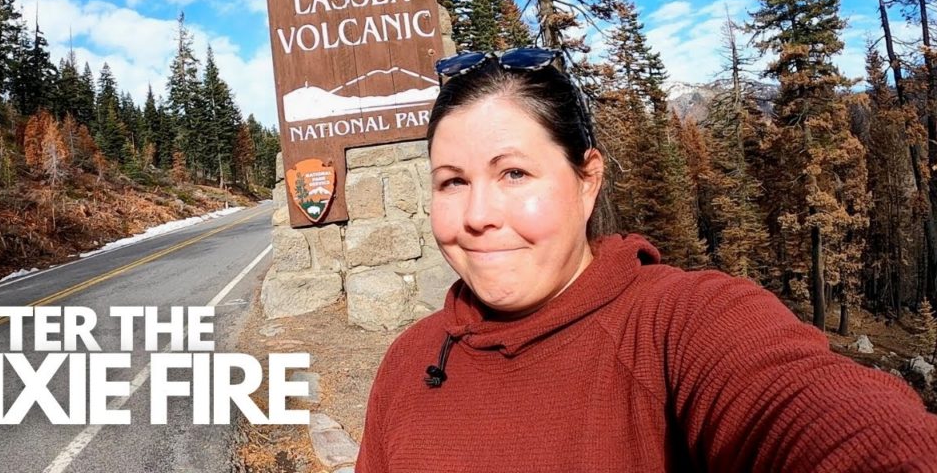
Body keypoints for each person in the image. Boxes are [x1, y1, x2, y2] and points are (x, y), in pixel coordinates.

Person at [355, 47, 937, 472]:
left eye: (514, 173)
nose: (478, 214)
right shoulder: (409, 362)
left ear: (587, 181)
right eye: (452, 182)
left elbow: (819, 414)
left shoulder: (682, 323)